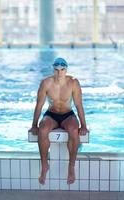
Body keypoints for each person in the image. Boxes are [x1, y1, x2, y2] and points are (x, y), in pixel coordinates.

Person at [29, 57, 89, 185]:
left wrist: (83, 125)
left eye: (62, 70)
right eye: (56, 70)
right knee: (43, 129)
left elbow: (79, 105)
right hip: (51, 114)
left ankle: (71, 166)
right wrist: (34, 125)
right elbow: (39, 106)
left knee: (73, 130)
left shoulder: (73, 83)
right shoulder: (46, 83)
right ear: (53, 69)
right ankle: (45, 165)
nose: (59, 73)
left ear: (66, 70)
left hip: (68, 115)